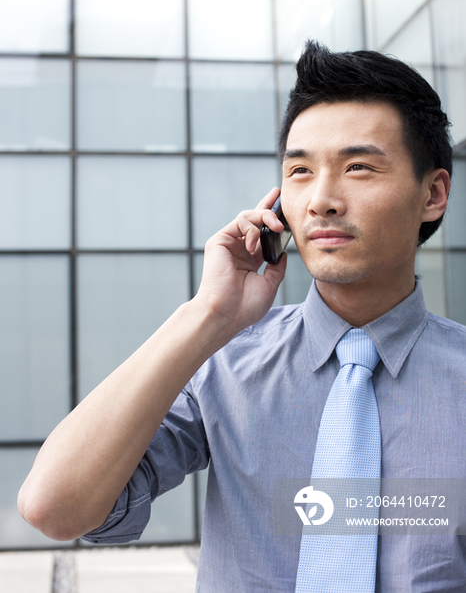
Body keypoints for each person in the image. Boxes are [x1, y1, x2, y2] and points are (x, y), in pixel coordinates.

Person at [18, 41, 466, 591]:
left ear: (433, 194)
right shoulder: (226, 362)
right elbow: (54, 508)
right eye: (299, 170)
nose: (322, 199)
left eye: (357, 167)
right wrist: (208, 313)